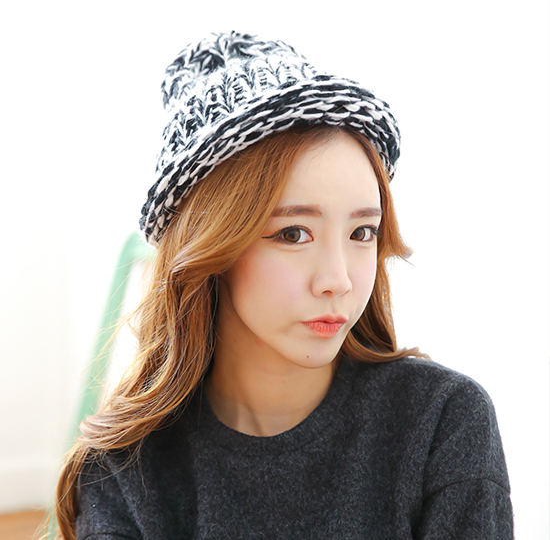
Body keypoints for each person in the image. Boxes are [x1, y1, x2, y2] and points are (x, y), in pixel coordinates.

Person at [53, 32, 513, 539]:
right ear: (212, 245)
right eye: (293, 234)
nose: (338, 279)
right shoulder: (123, 472)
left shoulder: (443, 423)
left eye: (362, 232)